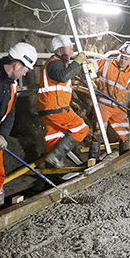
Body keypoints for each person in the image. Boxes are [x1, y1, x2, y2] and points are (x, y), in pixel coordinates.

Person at [0, 43, 37, 206]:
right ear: (16, 64)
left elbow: (10, 113)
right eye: (26, 69)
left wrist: (3, 134)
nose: (25, 73)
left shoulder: (13, 85)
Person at [38, 35, 88, 168]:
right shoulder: (54, 62)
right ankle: (57, 156)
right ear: (60, 49)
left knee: (53, 140)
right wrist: (76, 62)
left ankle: (51, 176)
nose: (72, 51)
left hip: (47, 109)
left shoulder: (55, 64)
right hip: (56, 108)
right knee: (82, 129)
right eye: (70, 47)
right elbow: (63, 76)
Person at [89, 42, 130, 159]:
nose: (123, 61)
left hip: (118, 106)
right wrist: (92, 79)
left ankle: (124, 158)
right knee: (98, 133)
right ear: (119, 55)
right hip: (103, 103)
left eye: (126, 59)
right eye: (122, 57)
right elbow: (88, 66)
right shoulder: (106, 63)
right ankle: (93, 161)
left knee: (124, 132)